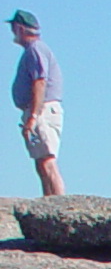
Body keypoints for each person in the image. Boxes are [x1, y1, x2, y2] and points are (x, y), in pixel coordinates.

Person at [10, 10, 61, 197]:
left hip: (42, 110)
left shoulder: (35, 49)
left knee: (47, 159)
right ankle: (48, 202)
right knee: (40, 160)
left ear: (20, 28)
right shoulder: (33, 50)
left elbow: (40, 81)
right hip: (37, 109)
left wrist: (33, 115)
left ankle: (58, 206)